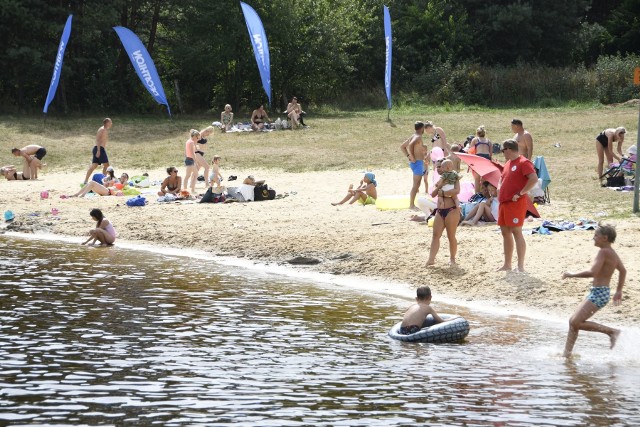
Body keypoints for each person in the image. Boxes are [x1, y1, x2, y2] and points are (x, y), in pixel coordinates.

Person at [561, 224, 626, 357]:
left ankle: (612, 332)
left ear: (605, 238)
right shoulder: (612, 252)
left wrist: (571, 274)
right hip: (599, 291)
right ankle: (566, 355)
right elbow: (623, 271)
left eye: (596, 235)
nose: (593, 238)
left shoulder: (604, 252)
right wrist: (618, 290)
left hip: (599, 293)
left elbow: (592, 272)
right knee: (573, 322)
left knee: (575, 322)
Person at [497, 139, 538, 272]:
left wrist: (521, 193)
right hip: (504, 201)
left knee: (516, 232)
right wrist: (498, 187)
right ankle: (507, 264)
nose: (503, 152)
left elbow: (533, 179)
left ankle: (520, 266)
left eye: (503, 150)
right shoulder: (508, 163)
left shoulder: (523, 162)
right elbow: (501, 178)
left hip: (515, 202)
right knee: (505, 232)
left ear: (509, 149)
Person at [426, 157, 461, 266]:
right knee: (435, 235)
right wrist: (441, 186)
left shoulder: (454, 177)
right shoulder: (440, 180)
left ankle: (452, 259)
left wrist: (444, 193)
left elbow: (457, 191)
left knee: (451, 236)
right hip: (440, 211)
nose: (439, 169)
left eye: (441, 167)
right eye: (439, 167)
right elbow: (433, 194)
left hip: (452, 210)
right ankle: (431, 259)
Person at [400, 121, 427, 210]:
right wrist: (411, 156)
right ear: (422, 128)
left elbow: (402, 146)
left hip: (415, 163)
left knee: (417, 184)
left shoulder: (413, 136)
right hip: (417, 163)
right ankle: (411, 205)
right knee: (416, 185)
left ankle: (412, 203)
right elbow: (410, 145)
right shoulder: (418, 137)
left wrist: (408, 156)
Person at [83, 118, 112, 185]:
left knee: (94, 165)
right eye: (110, 122)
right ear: (107, 123)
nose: (111, 124)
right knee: (106, 165)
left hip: (99, 149)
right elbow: (98, 140)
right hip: (99, 149)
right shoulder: (102, 129)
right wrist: (98, 150)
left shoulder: (104, 129)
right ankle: (103, 180)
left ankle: (86, 181)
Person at [467, 125, 492, 190]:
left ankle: (477, 194)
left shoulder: (475, 140)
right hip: (487, 158)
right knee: (484, 177)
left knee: (477, 178)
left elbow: (471, 151)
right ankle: (484, 194)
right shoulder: (489, 141)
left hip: (478, 157)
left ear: (477, 133)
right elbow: (490, 154)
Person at [183, 129, 199, 194]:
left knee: (192, 174)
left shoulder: (188, 141)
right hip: (190, 159)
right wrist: (196, 162)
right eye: (197, 137)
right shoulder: (191, 142)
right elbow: (193, 153)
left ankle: (189, 189)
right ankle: (188, 189)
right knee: (189, 175)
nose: (197, 139)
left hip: (188, 159)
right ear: (194, 136)